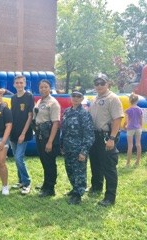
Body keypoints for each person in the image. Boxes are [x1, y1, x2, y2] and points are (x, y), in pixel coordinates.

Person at [88, 73, 123, 207]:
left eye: (102, 83)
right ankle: (96, 187)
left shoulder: (113, 98)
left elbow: (117, 119)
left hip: (107, 136)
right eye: (97, 83)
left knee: (109, 166)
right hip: (95, 135)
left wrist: (112, 138)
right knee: (95, 163)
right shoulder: (95, 98)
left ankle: (109, 197)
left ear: (108, 84)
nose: (99, 86)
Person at [61, 90, 95, 205]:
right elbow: (64, 130)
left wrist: (84, 151)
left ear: (82, 99)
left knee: (79, 171)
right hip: (68, 147)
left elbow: (89, 134)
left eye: (78, 96)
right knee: (70, 169)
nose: (75, 98)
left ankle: (78, 194)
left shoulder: (84, 114)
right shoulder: (67, 112)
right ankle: (74, 188)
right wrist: (62, 145)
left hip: (79, 148)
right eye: (73, 96)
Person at [33, 80, 60, 197]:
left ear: (50, 88)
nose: (43, 89)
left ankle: (50, 188)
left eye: (45, 87)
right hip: (40, 134)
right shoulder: (39, 101)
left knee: (49, 162)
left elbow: (55, 123)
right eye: (41, 87)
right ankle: (46, 184)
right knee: (44, 160)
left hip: (49, 135)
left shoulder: (53, 103)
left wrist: (50, 142)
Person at [10, 75, 34, 195]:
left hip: (23, 133)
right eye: (17, 83)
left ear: (25, 84)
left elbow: (30, 116)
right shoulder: (13, 98)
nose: (19, 85)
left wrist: (23, 133)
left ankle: (27, 182)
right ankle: (21, 181)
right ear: (14, 84)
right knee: (16, 157)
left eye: (21, 83)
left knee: (19, 157)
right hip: (13, 133)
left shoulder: (29, 96)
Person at [123, 93, 143, 167]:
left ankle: (128, 163)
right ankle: (137, 162)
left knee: (130, 145)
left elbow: (126, 121)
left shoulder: (128, 110)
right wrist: (140, 127)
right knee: (138, 144)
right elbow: (141, 120)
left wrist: (124, 126)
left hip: (130, 128)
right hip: (138, 128)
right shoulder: (140, 109)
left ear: (129, 101)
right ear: (137, 101)